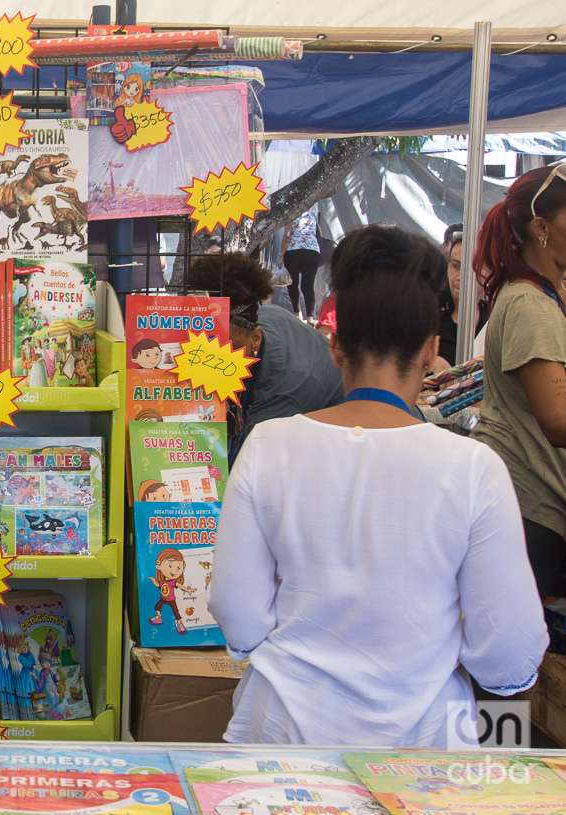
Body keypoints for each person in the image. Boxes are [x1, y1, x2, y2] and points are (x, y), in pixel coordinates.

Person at [209, 225, 547, 747]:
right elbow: (510, 653)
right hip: (426, 753)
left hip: (281, 741)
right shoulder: (473, 467)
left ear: (335, 346)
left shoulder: (268, 446)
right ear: (432, 347)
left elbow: (238, 616)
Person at [472, 164, 566, 599]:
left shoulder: (542, 295)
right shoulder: (530, 304)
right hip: (532, 506)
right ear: (541, 227)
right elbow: (558, 418)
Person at [189, 253, 344, 460]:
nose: (212, 359)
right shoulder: (251, 319)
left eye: (225, 347)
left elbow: (253, 466)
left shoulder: (282, 391)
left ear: (255, 338)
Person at [435, 226, 487, 368]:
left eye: (471, 268)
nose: (460, 277)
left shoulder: (495, 319)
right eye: (455, 266)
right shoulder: (430, 318)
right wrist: (431, 362)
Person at [281, 205, 321, 318]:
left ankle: (297, 314)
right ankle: (310, 318)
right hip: (312, 251)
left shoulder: (290, 211)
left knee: (292, 284)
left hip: (293, 251)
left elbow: (287, 235)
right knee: (308, 286)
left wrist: (281, 254)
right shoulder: (314, 210)